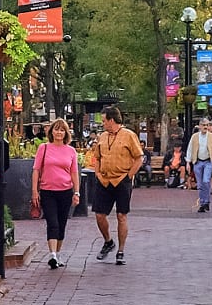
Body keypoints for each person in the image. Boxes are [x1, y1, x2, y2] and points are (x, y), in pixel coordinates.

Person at [88, 107, 144, 266]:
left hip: (122, 180)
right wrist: (98, 173)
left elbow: (139, 158)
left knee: (121, 215)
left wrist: (129, 176)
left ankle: (121, 250)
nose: (103, 123)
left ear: (112, 120)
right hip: (104, 180)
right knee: (99, 215)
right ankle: (108, 241)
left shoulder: (129, 135)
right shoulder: (103, 137)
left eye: (104, 120)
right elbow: (97, 157)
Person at [31, 118, 81, 269]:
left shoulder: (71, 151)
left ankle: (58, 253)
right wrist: (34, 191)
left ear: (66, 133)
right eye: (56, 129)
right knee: (52, 223)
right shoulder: (44, 148)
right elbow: (36, 170)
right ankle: (52, 255)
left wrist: (76, 192)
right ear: (51, 131)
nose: (59, 132)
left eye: (62, 130)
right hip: (47, 191)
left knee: (61, 223)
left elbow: (74, 173)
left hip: (65, 191)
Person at [187, 119, 212, 212]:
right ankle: (202, 203)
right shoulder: (194, 136)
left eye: (207, 125)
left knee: (206, 181)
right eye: (203, 125)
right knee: (200, 184)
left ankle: (206, 201)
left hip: (208, 161)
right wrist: (188, 162)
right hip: (197, 162)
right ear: (199, 126)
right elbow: (190, 149)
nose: (205, 127)